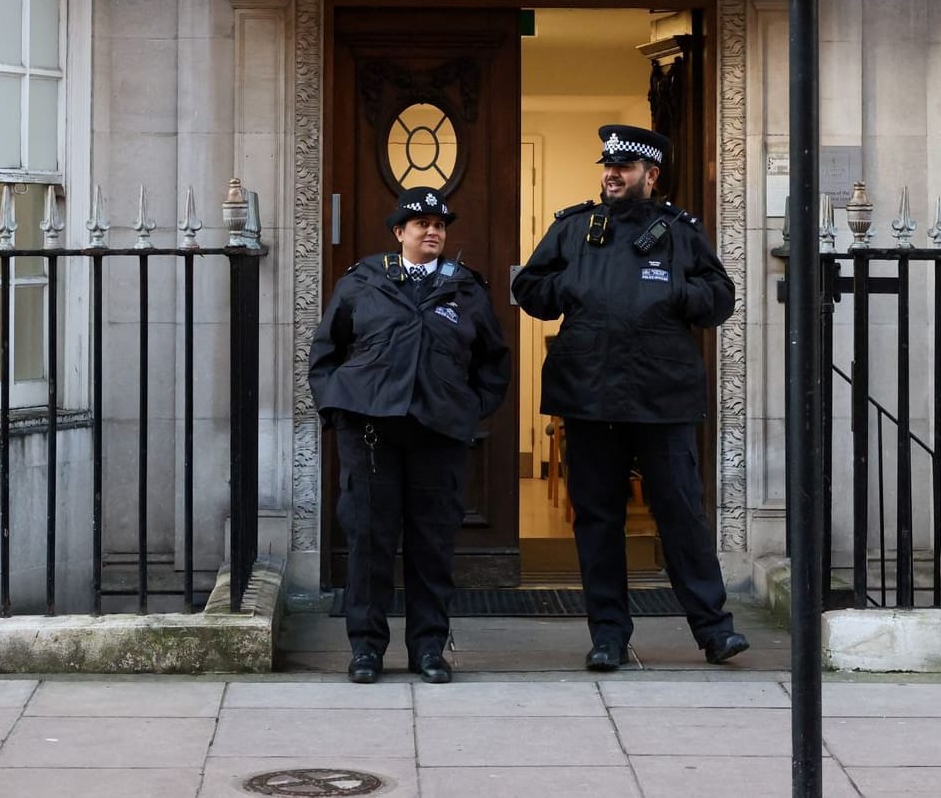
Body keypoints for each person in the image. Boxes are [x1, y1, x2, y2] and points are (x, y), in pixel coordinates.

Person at [512, 124, 750, 671]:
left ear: (651, 175)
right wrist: (569, 287)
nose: (612, 174)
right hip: (589, 396)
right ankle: (609, 636)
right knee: (597, 520)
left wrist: (671, 291)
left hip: (661, 398)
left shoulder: (680, 232)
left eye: (624, 168)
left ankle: (714, 630)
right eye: (607, 166)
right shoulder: (574, 230)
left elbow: (719, 298)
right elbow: (530, 289)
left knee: (681, 516)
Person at [309, 186, 511, 685]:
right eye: (421, 224)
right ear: (400, 233)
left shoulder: (466, 289)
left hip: (438, 433)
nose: (432, 231)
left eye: (439, 225)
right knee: (369, 544)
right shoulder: (362, 283)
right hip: (371, 431)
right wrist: (339, 410)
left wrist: (469, 410)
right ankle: (366, 650)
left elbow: (494, 361)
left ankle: (428, 649)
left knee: (432, 546)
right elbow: (325, 351)